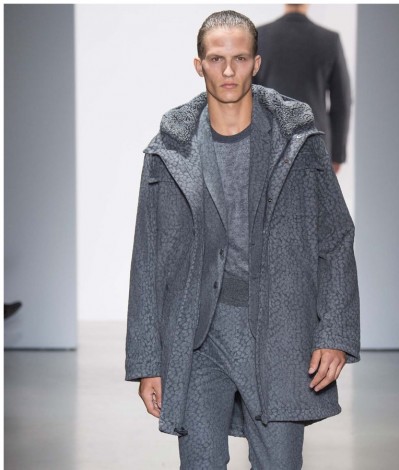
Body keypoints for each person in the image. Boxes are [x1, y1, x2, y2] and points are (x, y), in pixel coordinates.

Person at [125, 10, 360, 469]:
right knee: (200, 463)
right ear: (199, 65)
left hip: (281, 332)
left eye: (239, 58)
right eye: (217, 59)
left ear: (257, 63)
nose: (228, 70)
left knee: (279, 464)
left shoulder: (297, 140)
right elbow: (147, 258)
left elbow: (335, 236)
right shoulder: (170, 149)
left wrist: (334, 332)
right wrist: (147, 361)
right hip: (198, 336)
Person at [253, 4, 352, 173]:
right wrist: (337, 154)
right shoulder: (329, 40)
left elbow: (245, 97)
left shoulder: (259, 37)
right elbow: (342, 102)